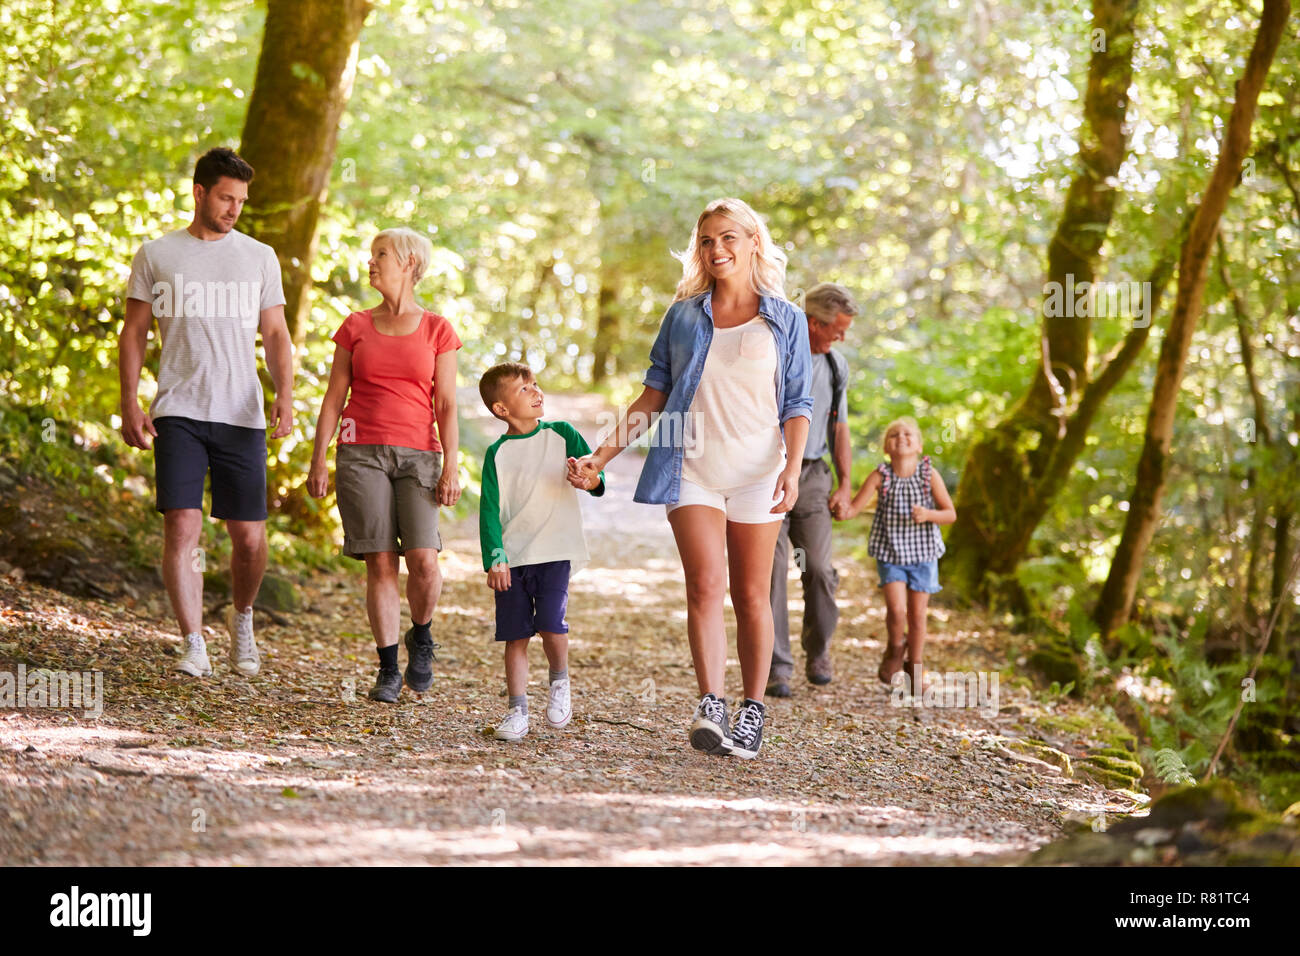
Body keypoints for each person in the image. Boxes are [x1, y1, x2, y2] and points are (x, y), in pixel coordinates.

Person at [570, 197, 812, 759]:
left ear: (754, 241)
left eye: (729, 237)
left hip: (760, 473)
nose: (717, 249)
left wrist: (794, 469)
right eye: (707, 240)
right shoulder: (683, 315)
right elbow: (652, 395)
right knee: (704, 586)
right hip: (692, 469)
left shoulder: (786, 318)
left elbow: (798, 402)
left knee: (753, 593)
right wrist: (600, 457)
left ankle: (753, 710)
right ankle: (712, 703)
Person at [120, 147, 294, 679]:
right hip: (179, 408)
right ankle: (193, 640)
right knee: (182, 525)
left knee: (249, 538)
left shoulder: (259, 257)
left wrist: (284, 394)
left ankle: (242, 618)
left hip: (241, 411)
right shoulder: (157, 254)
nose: (234, 208)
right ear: (199, 193)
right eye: (225, 197)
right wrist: (128, 400)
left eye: (241, 200)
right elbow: (133, 333)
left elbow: (276, 334)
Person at [307, 228, 461, 702]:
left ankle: (422, 634)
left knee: (423, 562)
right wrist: (318, 457)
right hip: (361, 454)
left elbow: (448, 404)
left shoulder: (438, 329)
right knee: (379, 561)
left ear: (410, 264)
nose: (371, 263)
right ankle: (388, 667)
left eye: (381, 255)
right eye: (372, 255)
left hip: (419, 455)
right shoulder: (354, 326)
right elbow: (335, 396)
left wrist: (452, 465)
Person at [477, 363, 605, 741]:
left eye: (535, 385)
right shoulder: (496, 453)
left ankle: (559, 682)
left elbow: (595, 476)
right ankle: (517, 711)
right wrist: (495, 556)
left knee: (551, 623)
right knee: (515, 636)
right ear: (502, 409)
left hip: (555, 550)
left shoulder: (563, 434)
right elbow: (489, 508)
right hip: (513, 558)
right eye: (524, 389)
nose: (537, 392)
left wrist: (588, 479)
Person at [767, 282, 859, 698]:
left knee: (819, 569)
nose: (841, 337)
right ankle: (776, 667)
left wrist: (846, 485)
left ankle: (818, 649)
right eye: (836, 329)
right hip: (766, 475)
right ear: (811, 323)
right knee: (770, 574)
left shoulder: (837, 366)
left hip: (812, 476)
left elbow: (839, 426)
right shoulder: (774, 352)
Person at [840, 417, 956, 692]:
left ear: (918, 445)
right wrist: (840, 508)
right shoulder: (881, 475)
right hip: (890, 553)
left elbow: (950, 514)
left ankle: (914, 665)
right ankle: (895, 647)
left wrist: (928, 514)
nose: (901, 437)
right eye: (894, 435)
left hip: (924, 554)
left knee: (917, 615)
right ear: (886, 448)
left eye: (907, 434)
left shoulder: (929, 474)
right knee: (896, 609)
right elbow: (854, 508)